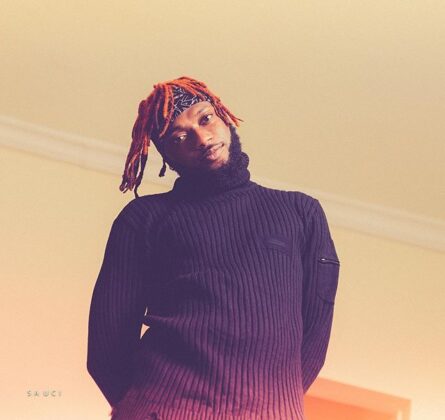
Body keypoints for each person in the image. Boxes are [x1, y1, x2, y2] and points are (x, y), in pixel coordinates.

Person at [87, 76, 341, 420]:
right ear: (167, 156)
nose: (202, 139)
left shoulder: (301, 212)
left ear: (223, 116)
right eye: (179, 137)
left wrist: (271, 405)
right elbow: (107, 347)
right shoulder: (144, 218)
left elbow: (315, 332)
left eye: (205, 119)